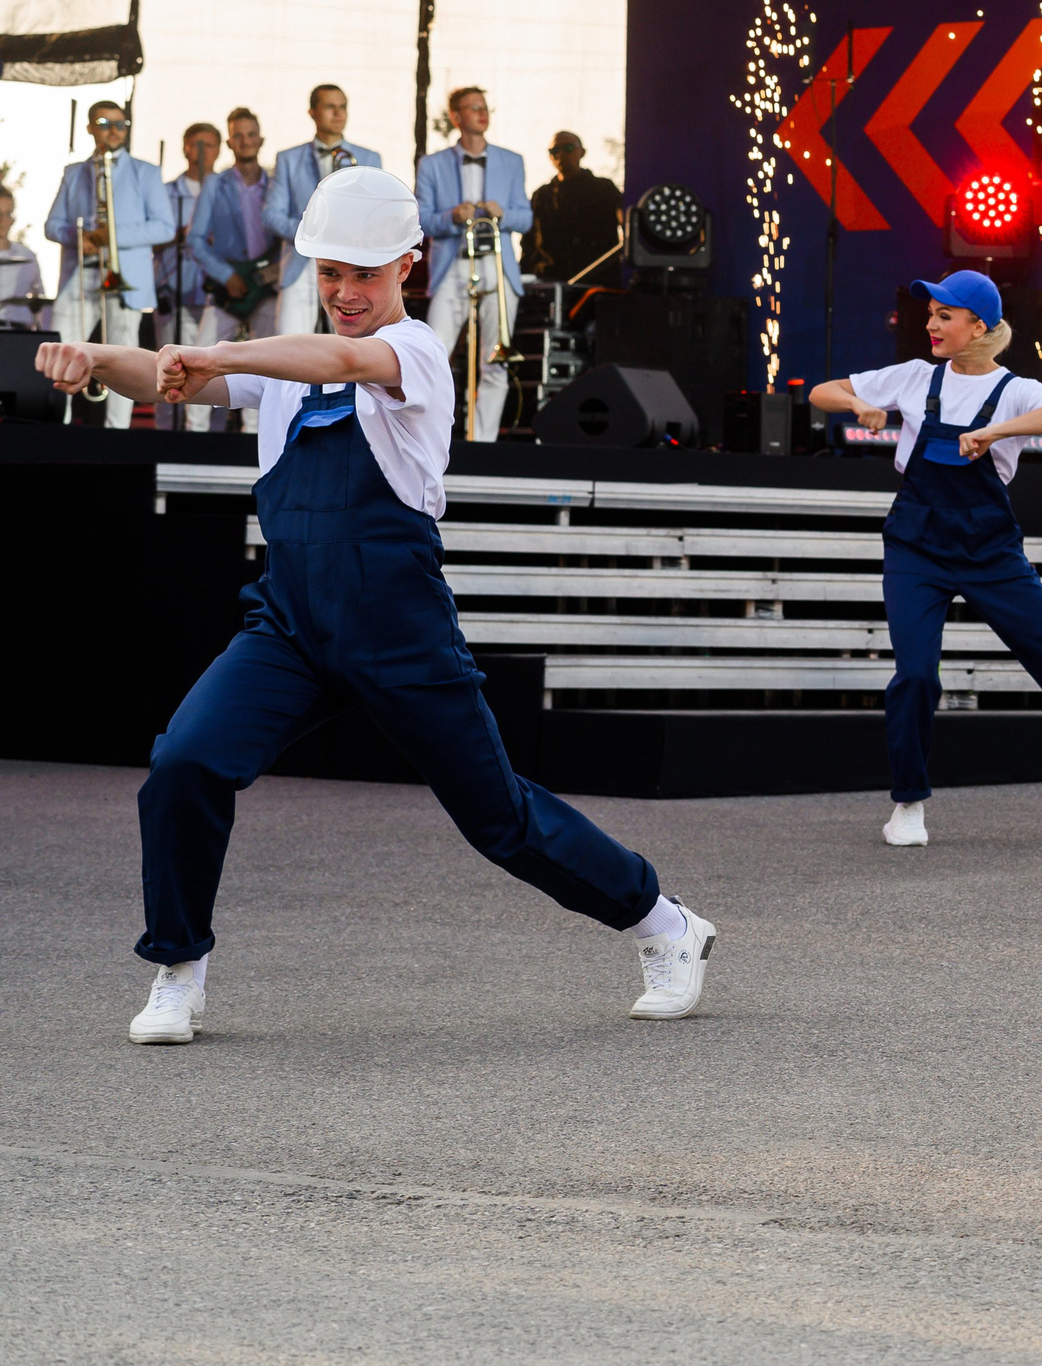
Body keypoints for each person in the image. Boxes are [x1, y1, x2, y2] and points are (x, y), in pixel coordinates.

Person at [35, 167, 716, 1045]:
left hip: (398, 626)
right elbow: (165, 377)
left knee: (499, 818)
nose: (345, 293)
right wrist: (96, 359)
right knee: (184, 763)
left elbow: (345, 358)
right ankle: (179, 967)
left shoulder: (417, 352)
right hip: (289, 622)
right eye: (329, 273)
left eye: (364, 273)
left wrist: (221, 354)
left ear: (409, 263)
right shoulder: (279, 366)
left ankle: (665, 924)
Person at [807, 270, 1042, 845]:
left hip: (988, 547)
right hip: (916, 544)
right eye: (930, 314)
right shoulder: (915, 377)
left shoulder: (1014, 390)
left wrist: (997, 433)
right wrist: (857, 405)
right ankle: (909, 804)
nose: (930, 324)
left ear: (979, 325)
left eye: (944, 316)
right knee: (916, 675)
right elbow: (823, 391)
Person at [44, 101, 172, 428]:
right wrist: (80, 237)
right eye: (104, 122)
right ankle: (56, 426)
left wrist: (110, 235)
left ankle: (118, 433)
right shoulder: (74, 173)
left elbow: (164, 227)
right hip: (81, 277)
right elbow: (52, 225)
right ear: (90, 128)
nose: (114, 130)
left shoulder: (146, 172)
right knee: (61, 351)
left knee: (123, 358)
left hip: (122, 280)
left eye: (121, 123)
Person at [418, 86, 534, 441]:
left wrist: (506, 214)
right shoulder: (432, 164)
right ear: (456, 117)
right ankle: (430, 437)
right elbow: (420, 220)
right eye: (473, 108)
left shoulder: (512, 161)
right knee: (434, 356)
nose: (482, 114)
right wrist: (451, 216)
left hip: (496, 266)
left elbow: (526, 219)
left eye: (485, 107)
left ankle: (482, 441)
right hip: (453, 265)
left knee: (495, 361)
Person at [187, 108, 283, 428]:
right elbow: (196, 240)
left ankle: (254, 441)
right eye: (238, 135)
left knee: (266, 367)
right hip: (228, 288)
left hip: (268, 288)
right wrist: (226, 275)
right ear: (230, 142)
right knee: (200, 359)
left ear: (261, 139)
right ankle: (193, 438)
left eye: (251, 134)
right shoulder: (215, 184)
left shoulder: (276, 184)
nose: (245, 141)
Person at [265, 84, 382, 336]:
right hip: (300, 261)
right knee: (291, 346)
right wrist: (312, 232)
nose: (338, 114)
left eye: (342, 107)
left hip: (351, 262)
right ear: (312, 112)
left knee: (350, 344)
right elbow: (272, 215)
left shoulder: (369, 158)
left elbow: (377, 215)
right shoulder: (288, 158)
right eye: (330, 107)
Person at [156, 122, 225, 430]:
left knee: (219, 373)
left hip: (218, 297)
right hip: (175, 292)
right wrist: (180, 235)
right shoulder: (167, 192)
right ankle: (168, 439)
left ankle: (213, 440)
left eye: (209, 145)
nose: (202, 152)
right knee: (170, 372)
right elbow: (150, 236)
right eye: (196, 144)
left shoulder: (228, 189)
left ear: (219, 150)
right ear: (184, 147)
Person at [523, 131, 625, 287]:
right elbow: (529, 240)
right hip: (552, 281)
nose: (561, 154)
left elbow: (626, 222)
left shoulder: (604, 189)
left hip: (597, 281)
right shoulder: (542, 196)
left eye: (568, 147)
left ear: (582, 152)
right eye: (555, 150)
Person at [0, 181, 51, 331]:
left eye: (8, 214)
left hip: (20, 334)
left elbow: (41, 301)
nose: (3, 221)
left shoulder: (27, 256)